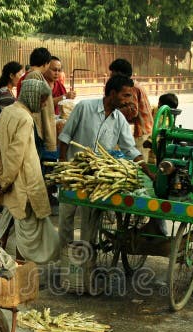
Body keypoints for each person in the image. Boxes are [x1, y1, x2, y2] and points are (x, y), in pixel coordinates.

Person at [57, 75, 146, 246]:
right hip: (73, 173)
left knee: (90, 220)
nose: (130, 100)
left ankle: (85, 259)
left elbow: (130, 149)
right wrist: (62, 164)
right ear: (112, 93)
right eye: (126, 95)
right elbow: (65, 136)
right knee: (66, 217)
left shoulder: (119, 119)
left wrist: (147, 170)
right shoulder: (84, 107)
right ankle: (65, 256)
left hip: (97, 178)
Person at [0, 78, 59, 264]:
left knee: (8, 223)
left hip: (9, 179)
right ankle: (20, 269)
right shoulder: (25, 118)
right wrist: (4, 181)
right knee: (26, 229)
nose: (44, 104)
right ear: (33, 96)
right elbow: (15, 154)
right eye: (43, 99)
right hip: (24, 182)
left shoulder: (7, 112)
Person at [108, 58, 154, 162]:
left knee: (138, 165)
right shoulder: (135, 84)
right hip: (145, 129)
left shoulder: (130, 88)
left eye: (113, 73)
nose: (111, 76)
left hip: (140, 132)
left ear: (120, 73)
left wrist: (112, 113)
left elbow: (133, 111)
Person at [17, 47, 57, 155]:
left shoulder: (35, 75)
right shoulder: (34, 75)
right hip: (35, 125)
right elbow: (34, 104)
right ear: (46, 63)